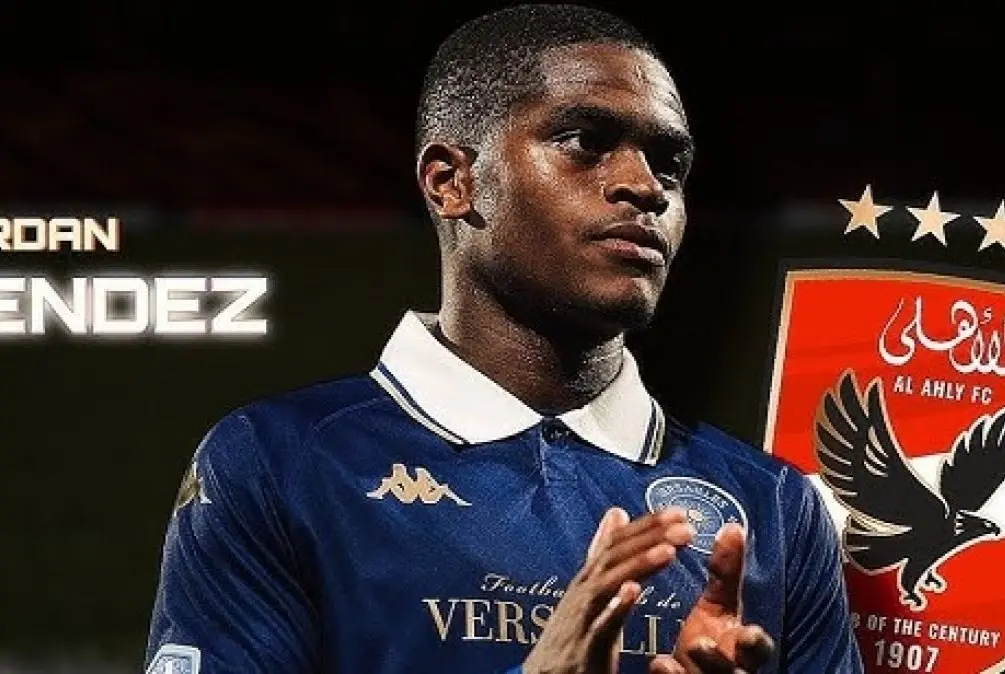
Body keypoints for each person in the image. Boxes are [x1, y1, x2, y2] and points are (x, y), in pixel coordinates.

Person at [144, 4, 863, 673]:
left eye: (669, 164)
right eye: (586, 142)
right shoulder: (278, 462)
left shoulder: (772, 506)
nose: (646, 187)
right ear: (451, 183)